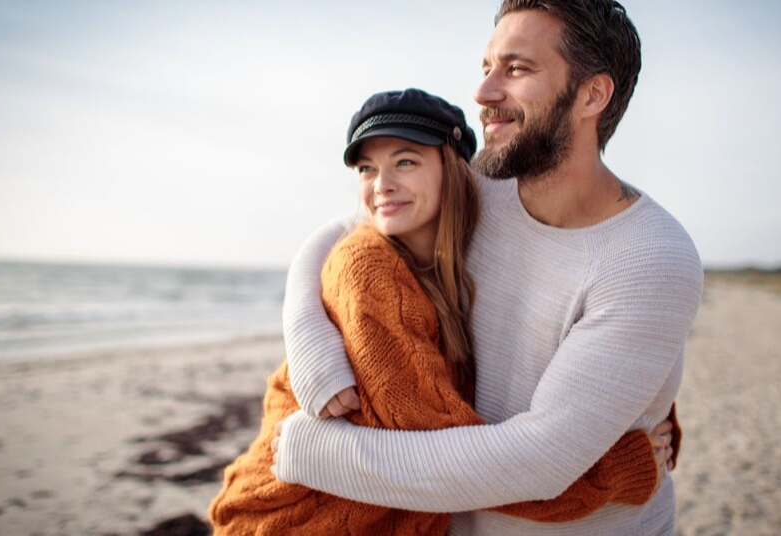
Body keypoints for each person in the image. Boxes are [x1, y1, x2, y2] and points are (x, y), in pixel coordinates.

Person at [271, 1, 703, 536]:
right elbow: (339, 231)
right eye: (486, 67)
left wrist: (316, 453)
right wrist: (309, 339)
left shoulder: (649, 258)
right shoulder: (485, 187)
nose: (483, 93)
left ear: (593, 94)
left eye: (516, 69)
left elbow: (538, 461)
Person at [208, 88, 676, 535]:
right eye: (367, 169)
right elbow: (456, 472)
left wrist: (630, 406)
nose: (381, 186)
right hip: (290, 522)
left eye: (405, 162)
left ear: (457, 169)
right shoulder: (369, 269)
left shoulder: (452, 256)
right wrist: (619, 468)